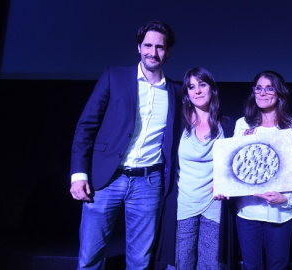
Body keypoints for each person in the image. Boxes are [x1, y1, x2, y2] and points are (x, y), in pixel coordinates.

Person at [69, 20, 182, 269]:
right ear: (139, 47)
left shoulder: (176, 92)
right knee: (90, 256)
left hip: (149, 183)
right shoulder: (114, 76)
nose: (153, 52)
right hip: (105, 179)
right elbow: (86, 126)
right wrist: (79, 174)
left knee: (140, 261)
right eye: (148, 45)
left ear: (169, 51)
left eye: (160, 47)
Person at [233, 71, 292, 270]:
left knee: (277, 266)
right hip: (249, 210)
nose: (262, 93)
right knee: (251, 266)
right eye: (258, 88)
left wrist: (287, 199)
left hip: (280, 212)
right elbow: (236, 168)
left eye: (269, 88)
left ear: (280, 93)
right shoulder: (242, 125)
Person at [172, 67, 232, 269]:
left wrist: (225, 184)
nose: (197, 91)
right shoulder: (177, 124)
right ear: (187, 93)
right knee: (183, 263)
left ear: (212, 89)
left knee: (211, 265)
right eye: (191, 86)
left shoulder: (227, 126)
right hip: (184, 204)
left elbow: (234, 165)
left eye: (202, 84)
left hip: (213, 205)